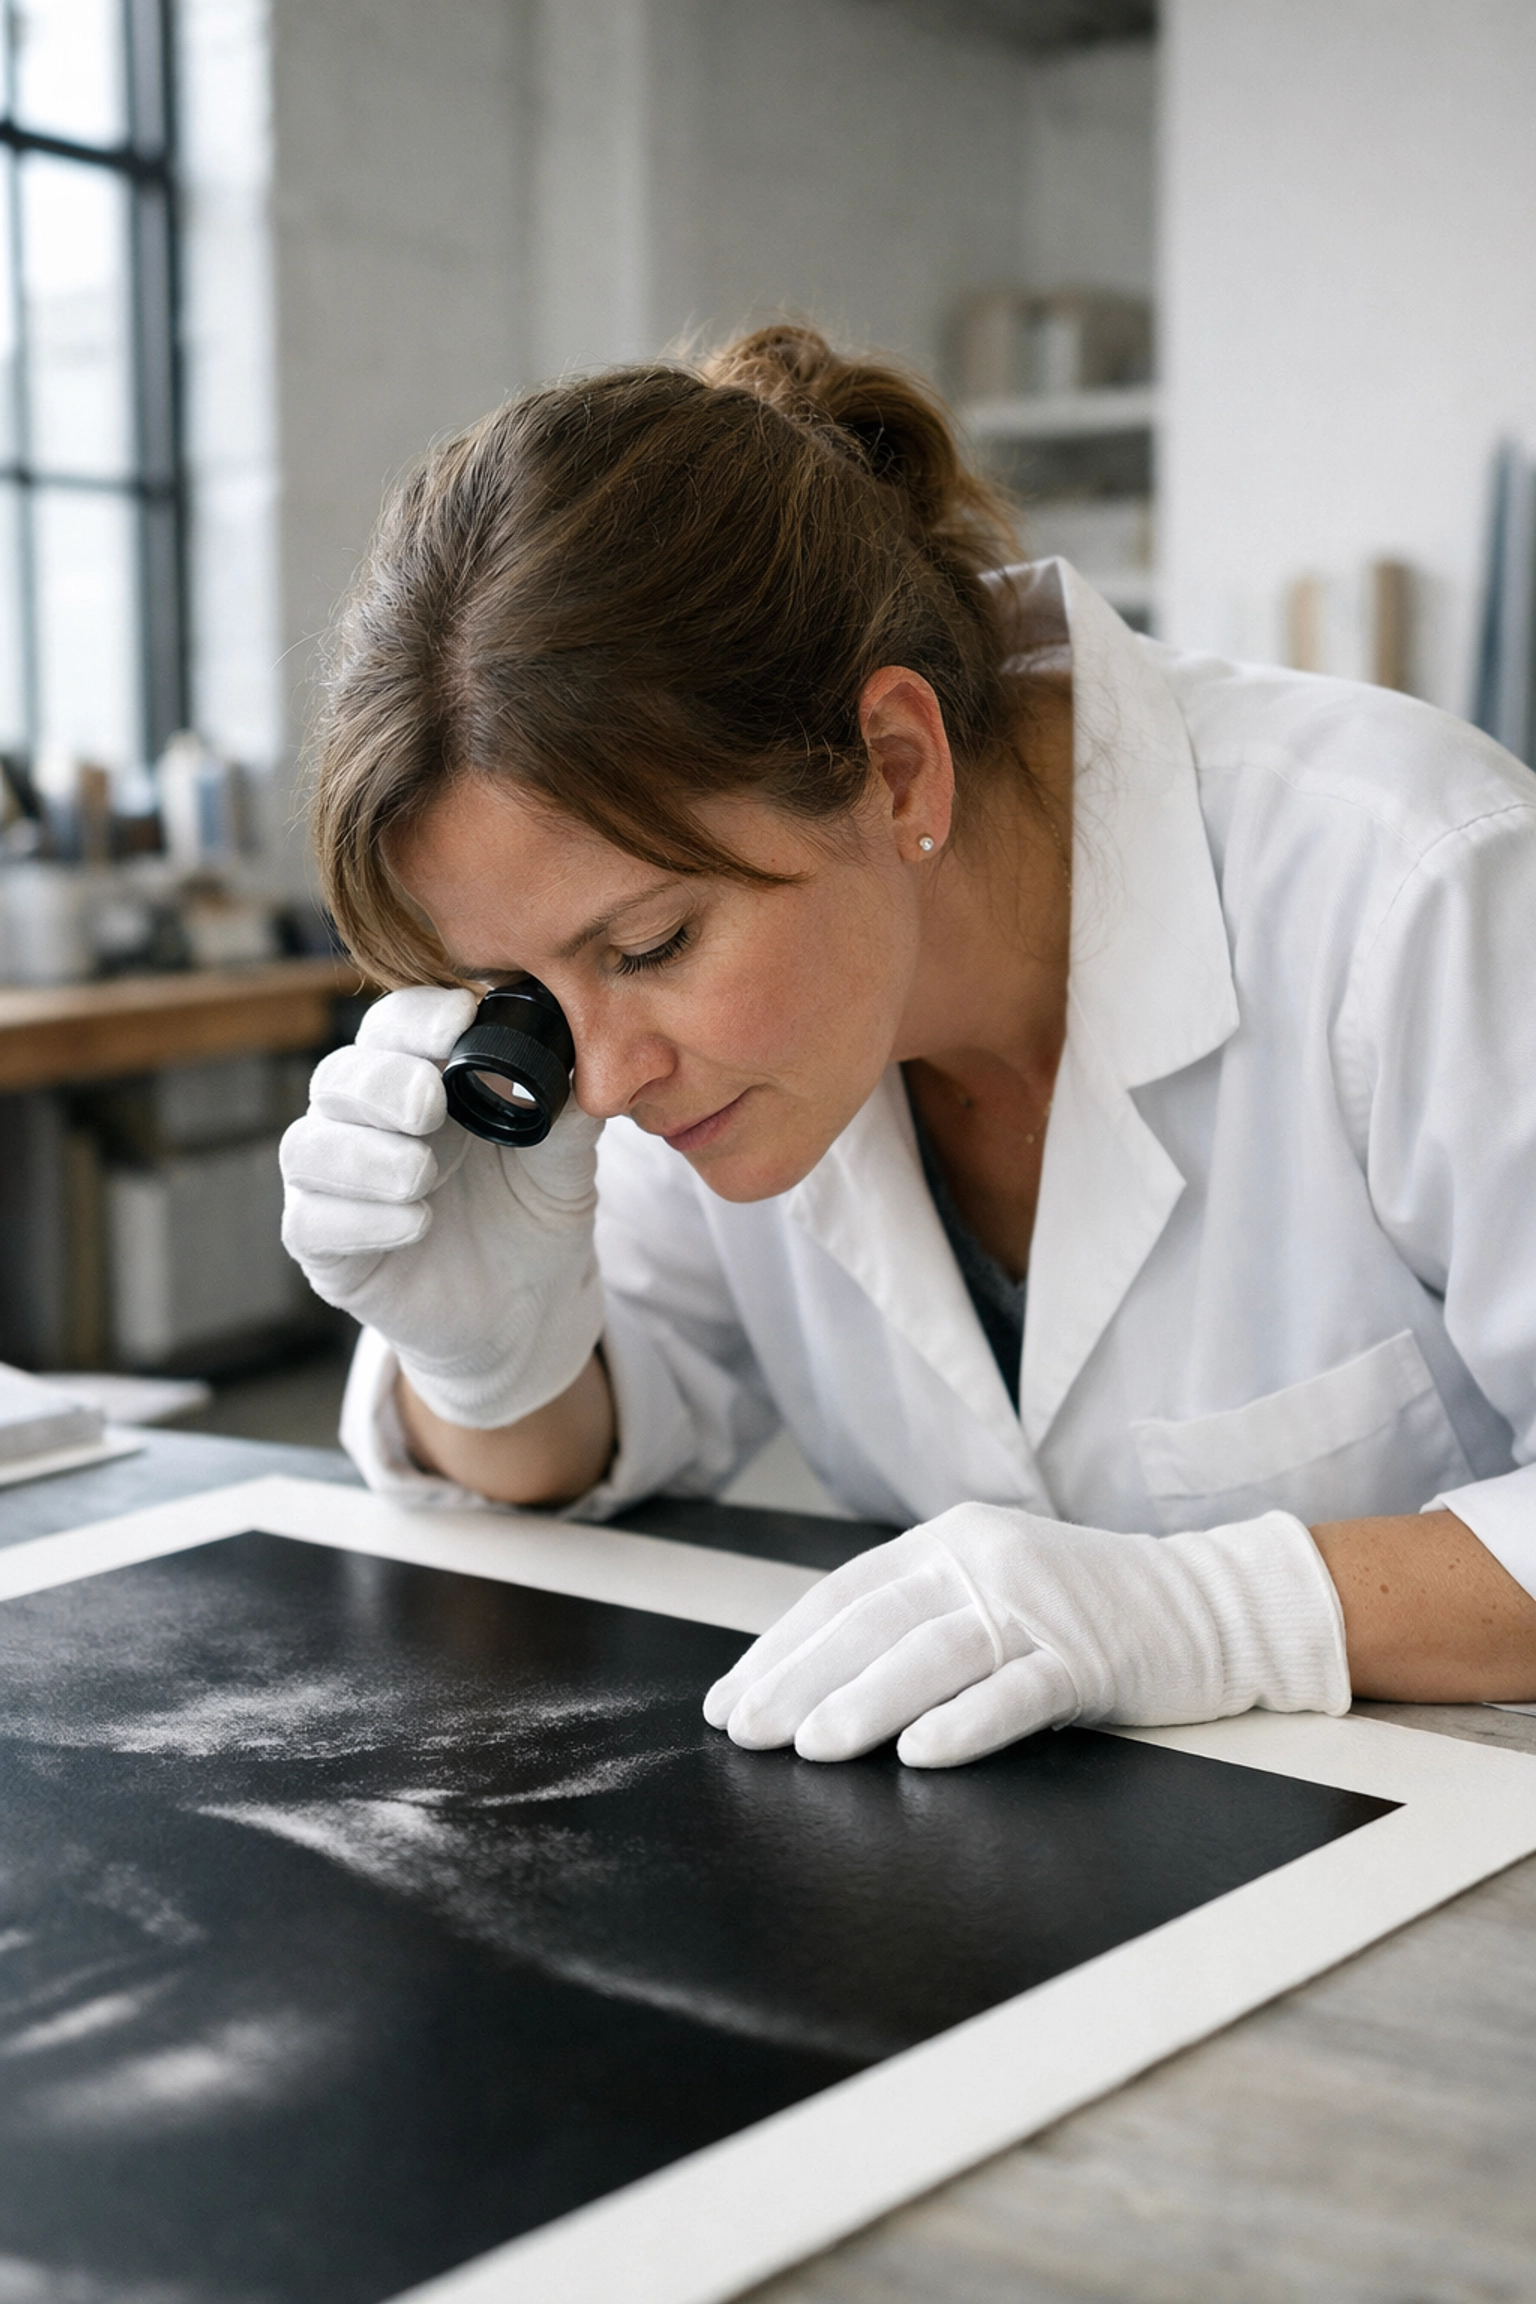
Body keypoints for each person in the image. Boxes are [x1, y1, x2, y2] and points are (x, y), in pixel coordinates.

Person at [280, 325, 1536, 1768]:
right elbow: (582, 1454)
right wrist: (484, 1368)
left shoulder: (1417, 881)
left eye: (649, 947)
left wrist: (1212, 1610)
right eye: (527, 987)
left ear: (896, 766)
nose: (609, 1082)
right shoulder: (705, 1042)